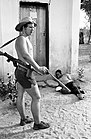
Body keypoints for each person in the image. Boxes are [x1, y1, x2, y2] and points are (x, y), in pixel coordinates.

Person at [14, 17, 50, 130]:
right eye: (30, 27)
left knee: (20, 95)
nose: (32, 29)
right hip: (24, 73)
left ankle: (23, 119)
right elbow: (25, 55)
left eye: (33, 27)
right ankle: (37, 123)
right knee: (37, 97)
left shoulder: (24, 39)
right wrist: (38, 68)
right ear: (23, 28)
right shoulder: (21, 39)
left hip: (22, 71)